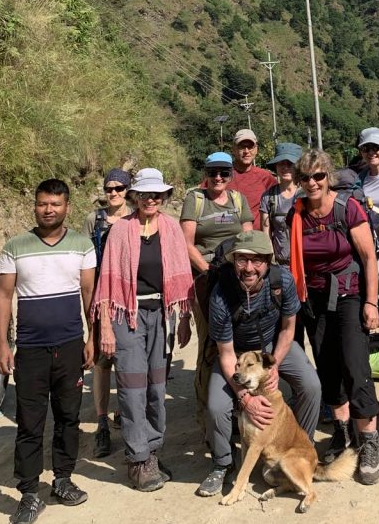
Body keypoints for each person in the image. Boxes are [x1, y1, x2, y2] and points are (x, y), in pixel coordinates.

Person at [0, 179, 96, 524]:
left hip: (69, 346)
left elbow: (88, 293)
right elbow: (4, 297)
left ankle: (63, 481)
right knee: (29, 422)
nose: (48, 209)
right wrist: (3, 344)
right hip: (31, 350)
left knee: (69, 416)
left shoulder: (82, 245)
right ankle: (28, 493)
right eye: (42, 204)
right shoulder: (15, 246)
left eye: (55, 204)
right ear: (34, 206)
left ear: (68, 206)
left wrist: (92, 337)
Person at [196, 230, 321, 496]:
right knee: (217, 406)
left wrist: (273, 366)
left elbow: (288, 329)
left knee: (311, 386)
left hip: (270, 351)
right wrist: (245, 398)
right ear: (234, 261)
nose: (249, 268)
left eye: (257, 261)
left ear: (267, 262)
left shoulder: (282, 281)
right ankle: (222, 464)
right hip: (238, 354)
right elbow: (227, 354)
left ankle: (301, 450)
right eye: (242, 260)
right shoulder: (222, 294)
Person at [93, 168, 192, 492]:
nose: (152, 199)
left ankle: (152, 451)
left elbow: (181, 279)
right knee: (132, 388)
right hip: (127, 316)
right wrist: (106, 327)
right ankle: (138, 459)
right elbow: (107, 282)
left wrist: (184, 320)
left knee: (155, 390)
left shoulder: (171, 229)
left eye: (157, 194)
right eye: (146, 194)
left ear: (164, 197)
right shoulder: (121, 230)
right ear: (135, 196)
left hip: (160, 316)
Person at [288, 149, 379, 485]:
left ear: (328, 178)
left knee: (356, 368)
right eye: (305, 178)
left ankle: (369, 442)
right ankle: (343, 435)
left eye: (318, 176)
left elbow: (369, 257)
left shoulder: (347, 208)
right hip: (313, 300)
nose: (312, 183)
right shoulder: (296, 214)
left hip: (349, 295)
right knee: (328, 369)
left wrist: (371, 303)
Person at [180, 151, 253, 434]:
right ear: (206, 174)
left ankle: (237, 407)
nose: (218, 178)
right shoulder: (195, 200)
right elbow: (186, 243)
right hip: (207, 280)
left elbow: (248, 238)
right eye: (213, 173)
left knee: (240, 342)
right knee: (210, 345)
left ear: (231, 174)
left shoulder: (238, 200)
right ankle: (207, 414)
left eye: (224, 173)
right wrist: (210, 271)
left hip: (238, 278)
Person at [82, 167, 133, 458]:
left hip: (128, 296)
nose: (113, 193)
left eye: (119, 188)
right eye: (109, 189)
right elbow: (87, 264)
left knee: (128, 358)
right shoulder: (94, 220)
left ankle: (127, 415)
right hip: (101, 296)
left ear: (128, 190)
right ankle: (102, 422)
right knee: (102, 361)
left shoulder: (136, 216)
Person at [259, 142, 302, 270]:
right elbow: (266, 235)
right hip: (280, 265)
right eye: (281, 163)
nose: (285, 168)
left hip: (306, 264)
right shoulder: (268, 197)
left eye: (290, 164)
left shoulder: (307, 194)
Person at [230, 129, 277, 228]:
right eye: (242, 147)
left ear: (256, 149)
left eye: (250, 147)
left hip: (257, 239)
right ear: (233, 149)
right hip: (227, 238)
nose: (246, 151)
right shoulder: (220, 176)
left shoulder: (266, 177)